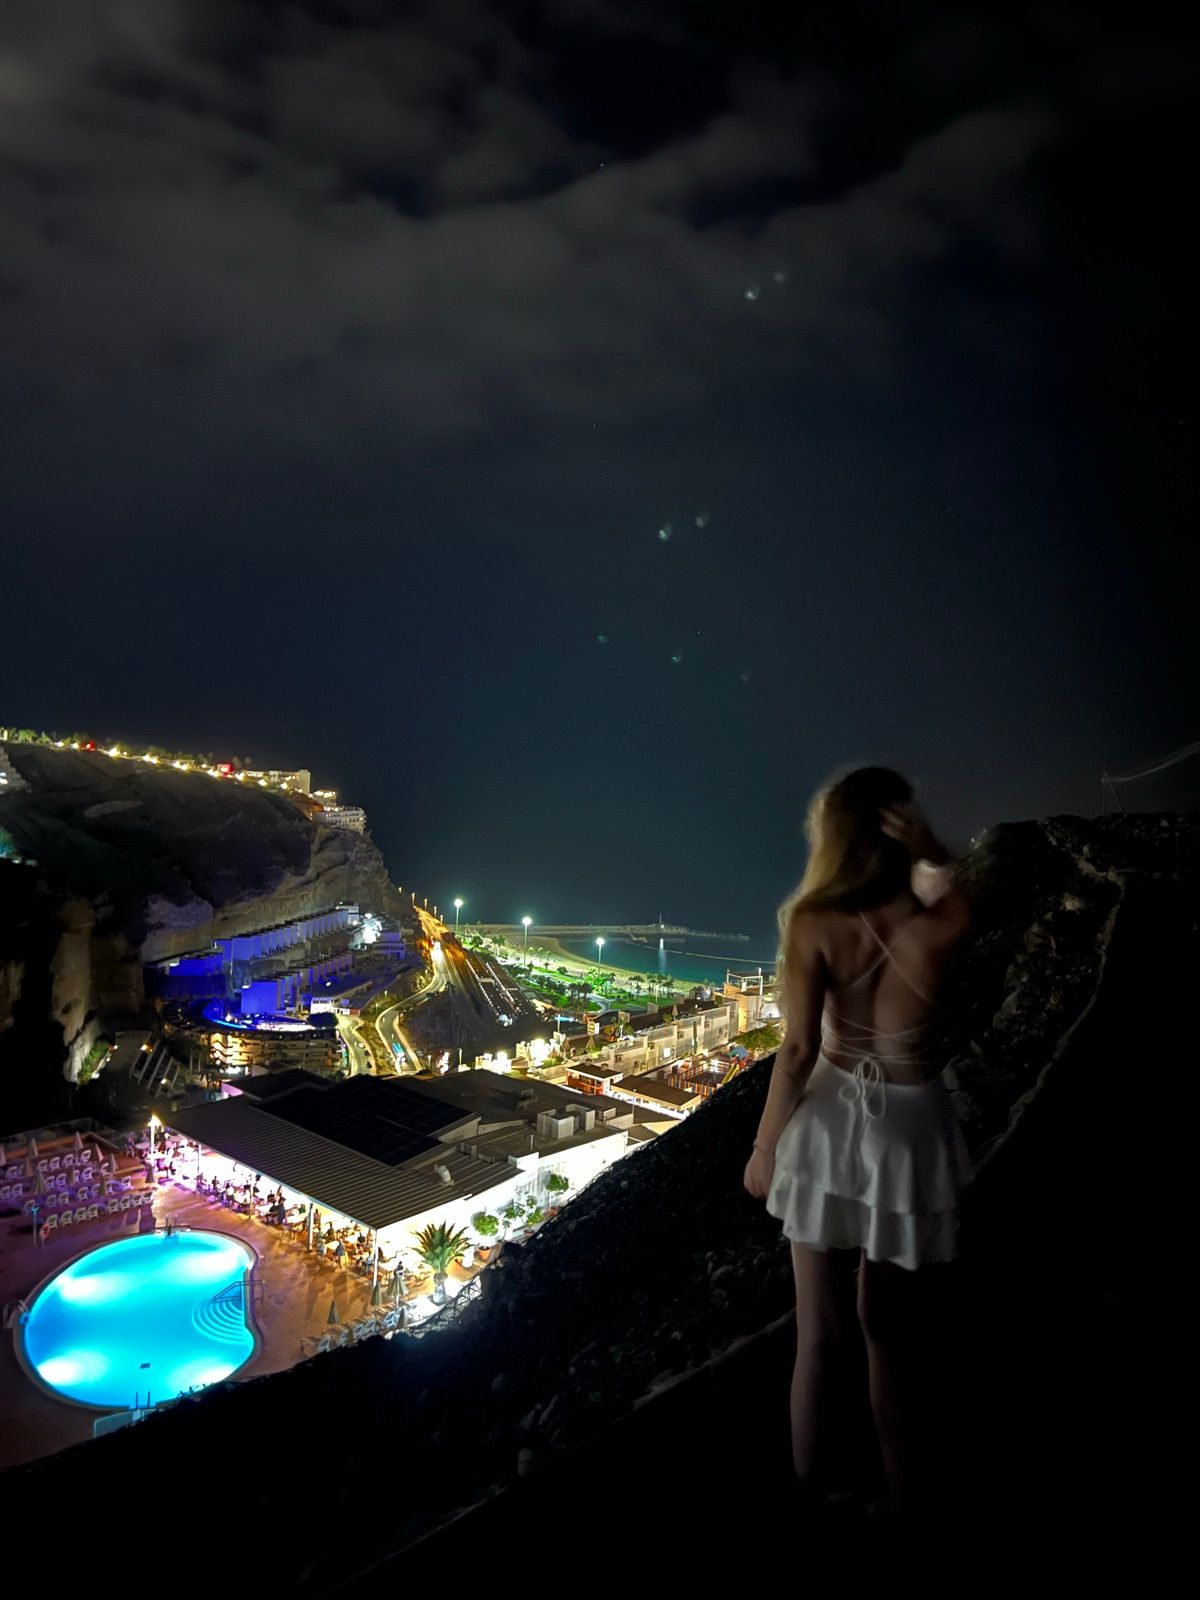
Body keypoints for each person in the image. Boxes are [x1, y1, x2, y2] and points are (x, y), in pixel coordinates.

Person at [743, 767, 971, 1538]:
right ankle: (905, 1509)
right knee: (890, 1335)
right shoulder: (937, 921)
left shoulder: (813, 920)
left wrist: (765, 1147)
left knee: (818, 1331)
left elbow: (797, 1050)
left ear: (835, 836)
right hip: (908, 1131)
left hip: (830, 1122)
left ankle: (810, 1512)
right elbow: (961, 891)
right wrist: (931, 848)